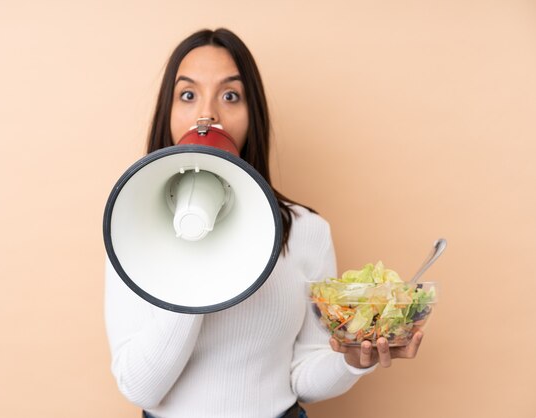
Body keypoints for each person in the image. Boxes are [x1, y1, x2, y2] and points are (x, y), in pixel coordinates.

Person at [104, 28, 424, 418]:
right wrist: (191, 269)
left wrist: (352, 359)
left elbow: (301, 376)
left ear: (253, 113)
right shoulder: (131, 231)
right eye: (188, 95)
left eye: (230, 95)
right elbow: (141, 387)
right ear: (166, 113)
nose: (208, 113)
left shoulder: (307, 231)